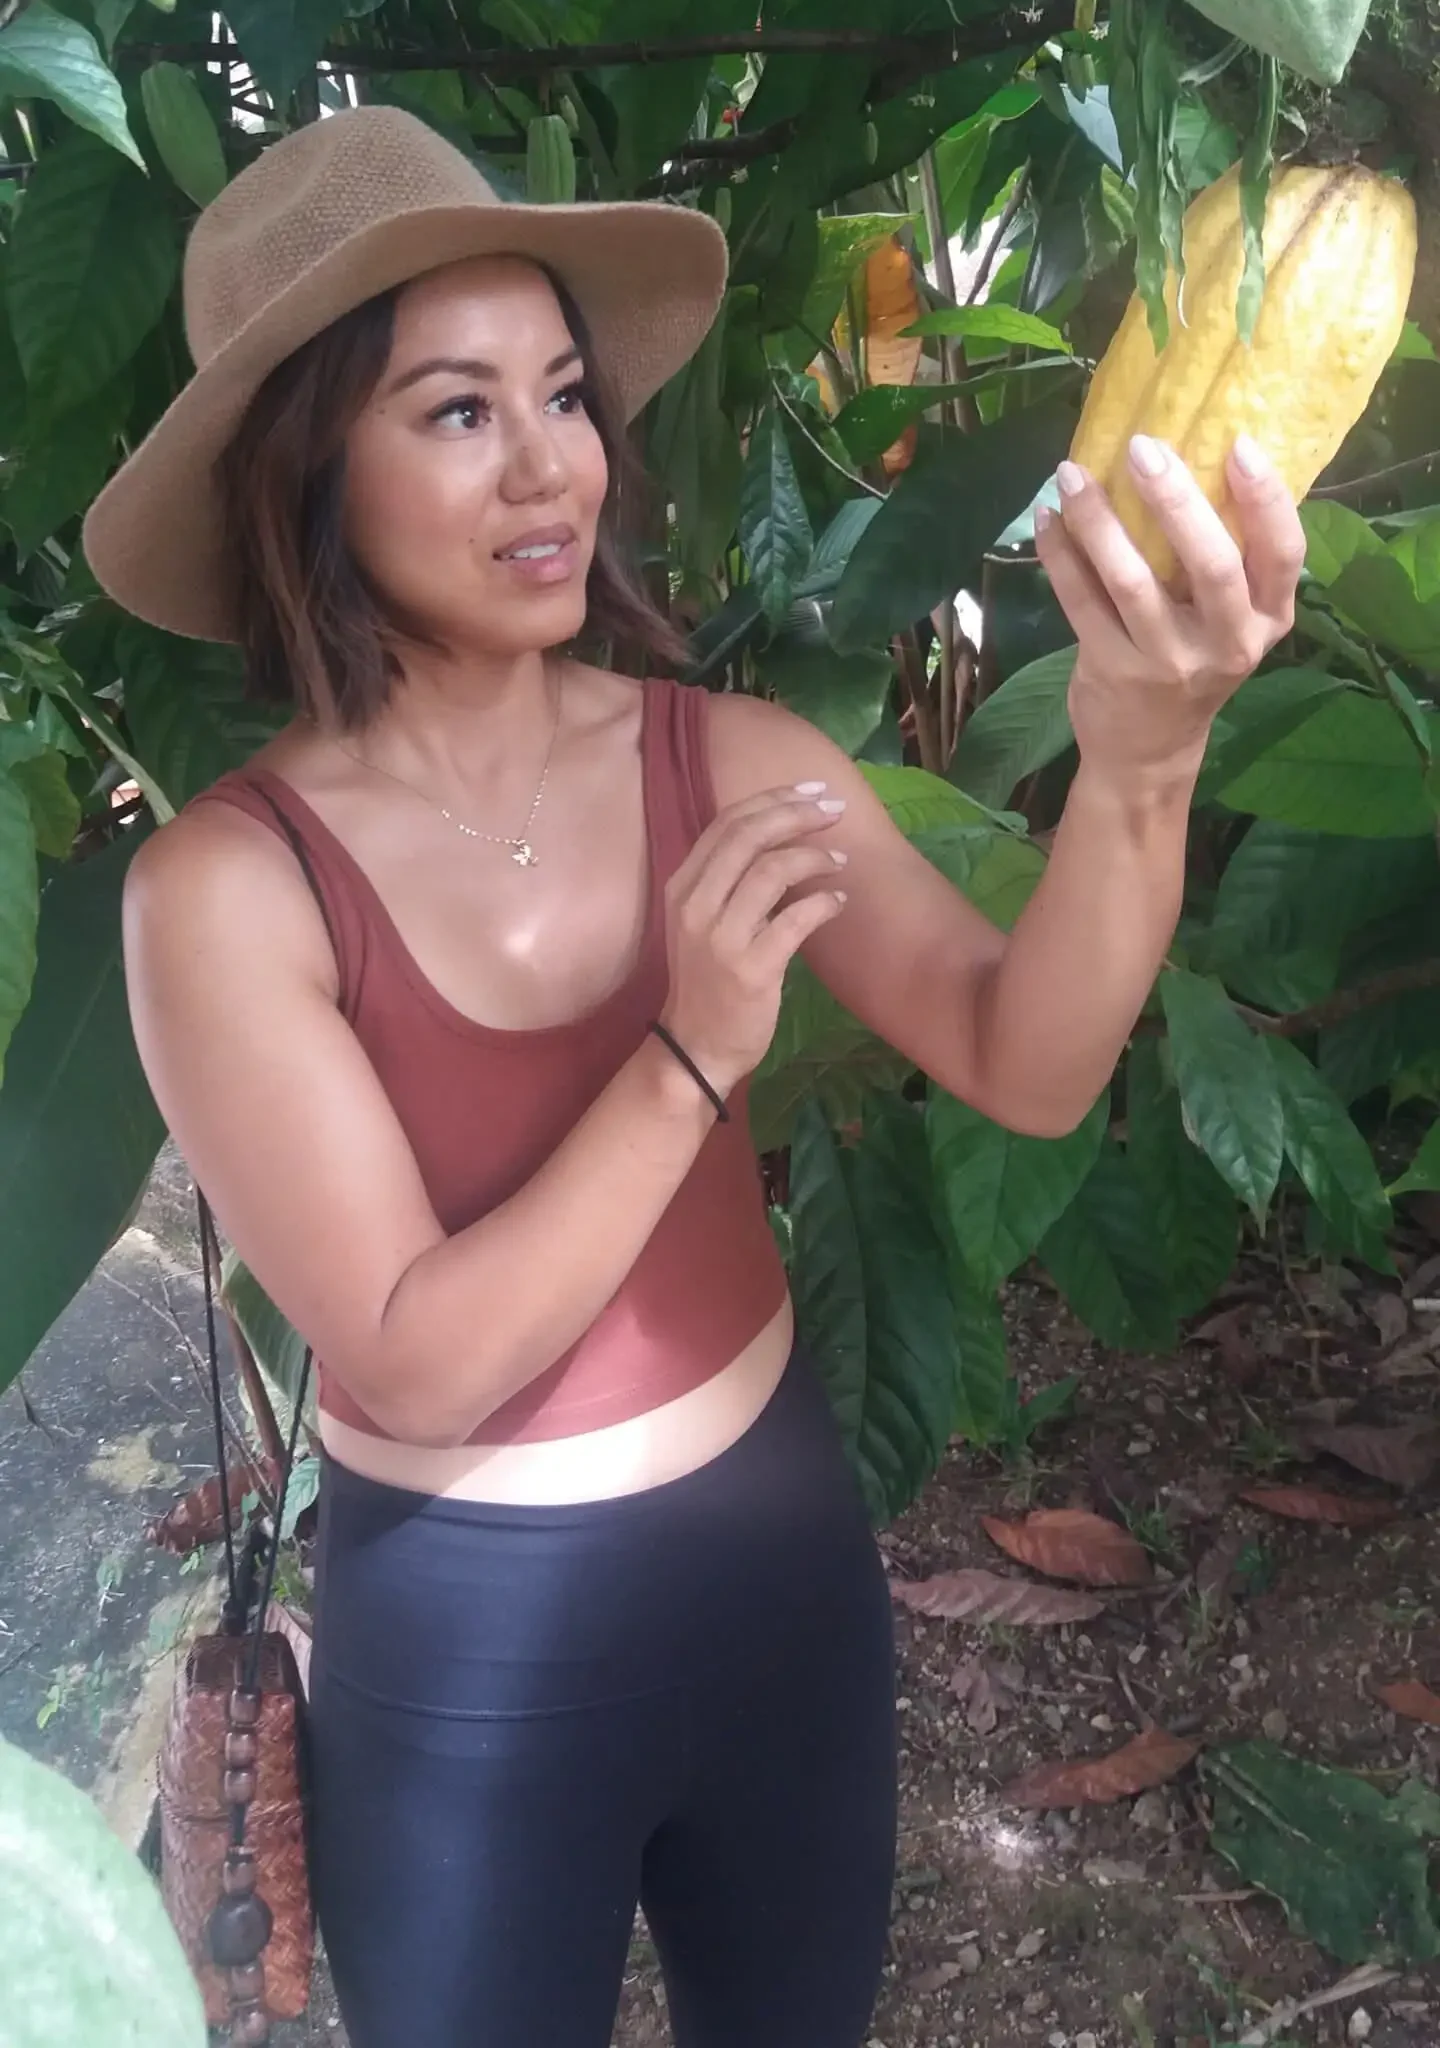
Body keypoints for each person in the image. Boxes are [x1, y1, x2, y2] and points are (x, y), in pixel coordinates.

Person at [83, 102, 1306, 2048]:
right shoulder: (226, 888)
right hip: (471, 1637)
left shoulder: (726, 760)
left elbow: (1031, 1056)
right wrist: (684, 1053)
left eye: (562, 393)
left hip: (778, 1564)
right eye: (458, 411)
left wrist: (1141, 752)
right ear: (306, 473)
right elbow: (411, 1352)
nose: (552, 459)